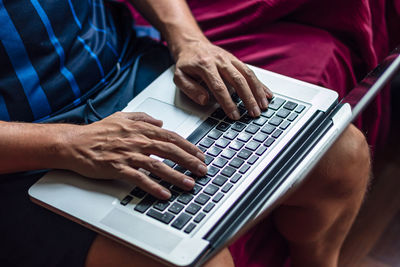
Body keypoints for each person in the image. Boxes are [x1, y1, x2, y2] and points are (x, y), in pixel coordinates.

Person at [0, 0, 374, 267]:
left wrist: (188, 39)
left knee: (340, 152)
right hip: (23, 154)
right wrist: (66, 143)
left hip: (127, 68)